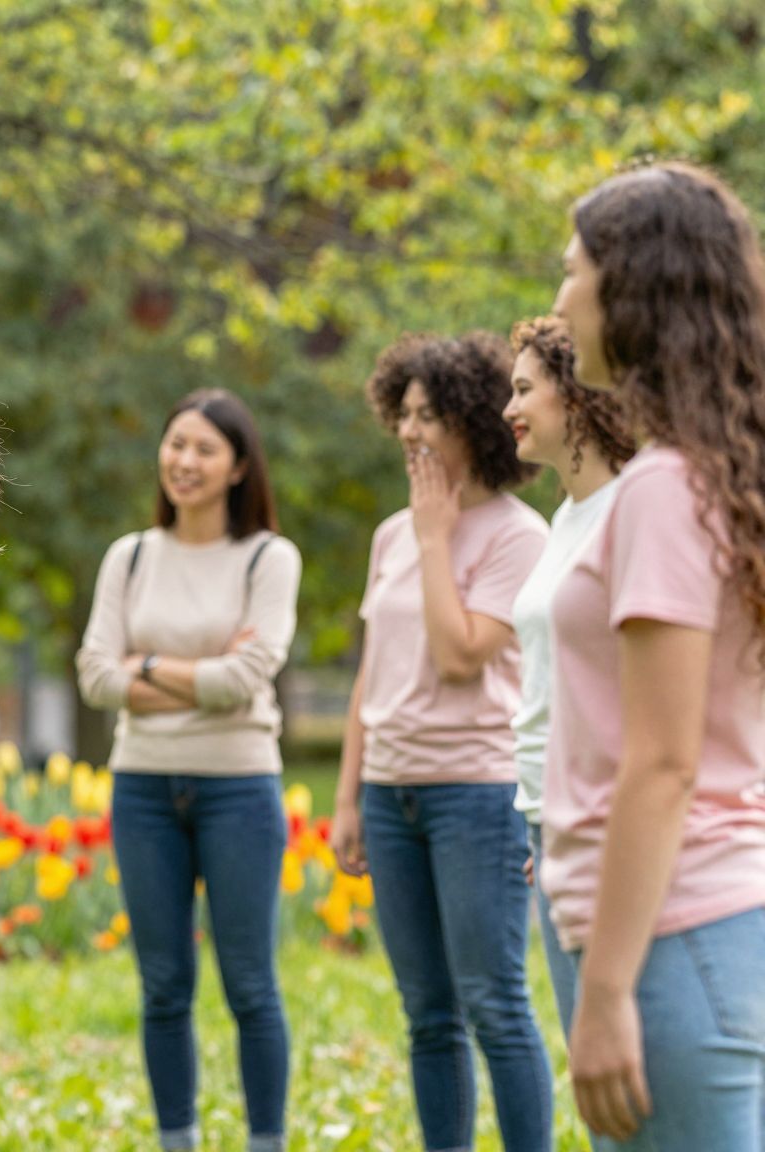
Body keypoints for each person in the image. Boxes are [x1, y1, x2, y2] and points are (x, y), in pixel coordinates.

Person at [545, 161, 765, 1149]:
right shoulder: (721, 477)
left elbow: (663, 762)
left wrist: (601, 996)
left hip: (672, 940)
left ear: (626, 288)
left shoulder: (662, 490)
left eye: (569, 272)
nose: (557, 301)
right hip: (708, 927)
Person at [329, 332, 553, 1152]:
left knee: (495, 1005)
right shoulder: (391, 535)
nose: (413, 432)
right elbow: (370, 675)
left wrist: (435, 539)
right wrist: (349, 797)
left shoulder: (516, 536)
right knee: (428, 1016)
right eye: (406, 414)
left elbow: (460, 655)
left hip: (477, 795)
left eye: (434, 415)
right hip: (392, 795)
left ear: (478, 423)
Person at [75, 388, 300, 1152]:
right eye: (177, 444)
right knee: (164, 987)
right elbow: (96, 677)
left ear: (239, 466)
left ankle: (265, 1140)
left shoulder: (269, 557)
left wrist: (145, 666)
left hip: (240, 786)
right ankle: (179, 1141)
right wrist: (199, 670)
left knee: (250, 984)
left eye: (206, 449)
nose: (186, 461)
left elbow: (249, 678)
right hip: (141, 785)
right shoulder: (131, 556)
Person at [499, 316, 634, 1030]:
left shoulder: (631, 511)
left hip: (612, 829)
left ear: (577, 398)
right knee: (593, 1065)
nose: (508, 410)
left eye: (524, 390)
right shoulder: (567, 518)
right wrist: (548, 818)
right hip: (553, 824)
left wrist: (587, 820)